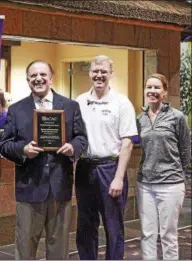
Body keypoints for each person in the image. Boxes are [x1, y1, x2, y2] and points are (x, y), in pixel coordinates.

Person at [0, 60, 88, 260]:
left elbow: (82, 138)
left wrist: (72, 147)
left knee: (59, 249)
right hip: (29, 188)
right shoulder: (17, 110)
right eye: (33, 76)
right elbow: (4, 145)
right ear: (28, 80)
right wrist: (23, 150)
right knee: (25, 248)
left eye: (43, 75)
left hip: (60, 188)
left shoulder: (71, 106)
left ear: (51, 78)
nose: (38, 79)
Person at [75, 55, 138, 260]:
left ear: (111, 73)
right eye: (95, 71)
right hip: (85, 168)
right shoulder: (80, 101)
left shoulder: (121, 102)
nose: (99, 75)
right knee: (85, 225)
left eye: (103, 71)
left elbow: (127, 143)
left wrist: (119, 177)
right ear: (90, 73)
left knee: (113, 226)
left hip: (110, 169)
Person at [136, 73, 191, 260]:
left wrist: (177, 173)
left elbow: (185, 150)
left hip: (170, 184)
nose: (152, 91)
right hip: (145, 184)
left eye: (157, 87)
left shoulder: (177, 117)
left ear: (165, 92)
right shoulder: (140, 119)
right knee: (147, 234)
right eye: (149, 87)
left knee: (168, 235)